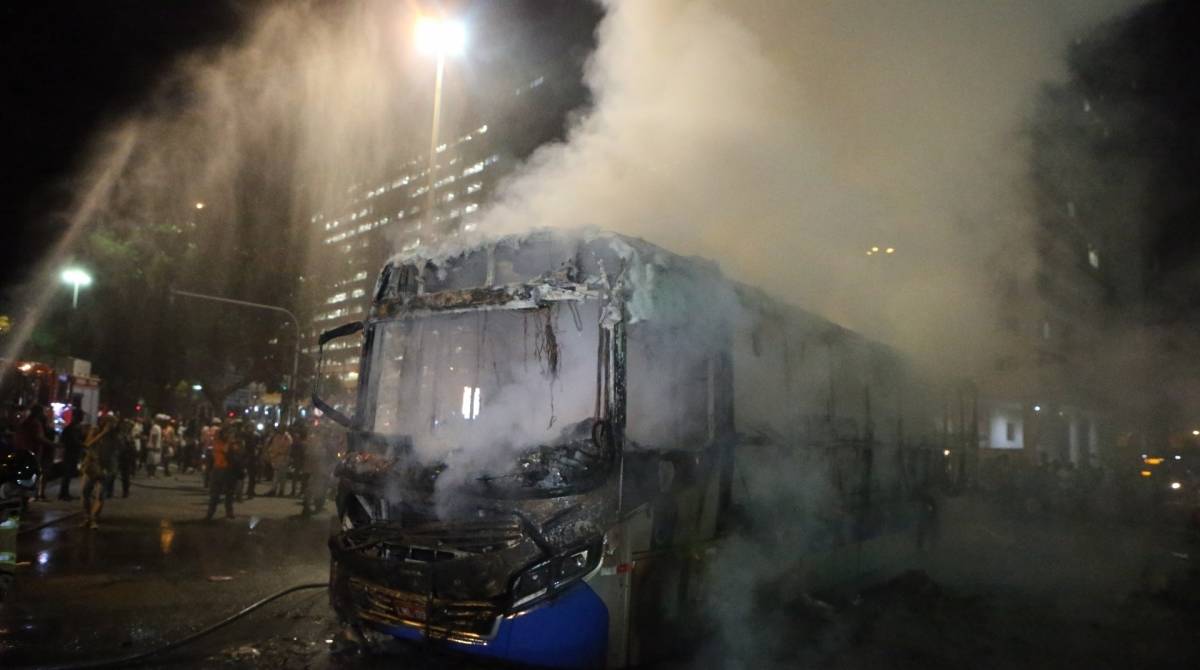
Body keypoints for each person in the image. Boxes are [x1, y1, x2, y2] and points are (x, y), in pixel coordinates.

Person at [80, 415, 120, 529]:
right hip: (92, 466)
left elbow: (115, 451)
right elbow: (87, 444)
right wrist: (102, 433)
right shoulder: (95, 430)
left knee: (100, 495)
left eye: (114, 424)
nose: (112, 426)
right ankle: (87, 517)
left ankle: (93, 519)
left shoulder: (114, 436)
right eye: (111, 423)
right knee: (85, 492)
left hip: (105, 467)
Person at [13, 405, 56, 501]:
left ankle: (21, 498)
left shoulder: (24, 422)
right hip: (33, 453)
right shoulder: (36, 423)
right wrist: (53, 444)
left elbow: (17, 437)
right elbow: (39, 438)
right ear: (39, 413)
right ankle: (25, 500)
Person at [205, 423, 241, 521]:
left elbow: (237, 452)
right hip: (219, 469)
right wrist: (230, 443)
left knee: (229, 493)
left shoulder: (231, 442)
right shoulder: (218, 441)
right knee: (215, 494)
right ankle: (210, 513)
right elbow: (224, 450)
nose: (229, 435)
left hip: (228, 470)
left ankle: (229, 512)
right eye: (228, 432)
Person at [58, 408, 85, 501]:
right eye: (80, 416)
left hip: (73, 453)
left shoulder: (76, 427)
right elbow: (71, 441)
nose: (82, 418)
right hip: (70, 453)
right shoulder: (71, 428)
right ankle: (63, 494)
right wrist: (82, 444)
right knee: (67, 474)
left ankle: (65, 493)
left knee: (69, 475)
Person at [264, 426, 292, 497]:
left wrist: (278, 453)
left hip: (283, 458)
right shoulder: (277, 436)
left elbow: (287, 448)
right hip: (276, 458)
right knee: (277, 475)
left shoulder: (287, 437)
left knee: (281, 476)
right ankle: (275, 490)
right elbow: (273, 446)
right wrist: (271, 454)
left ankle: (279, 490)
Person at [117, 419, 138, 497]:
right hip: (122, 456)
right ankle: (124, 490)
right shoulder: (122, 434)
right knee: (122, 475)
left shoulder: (129, 435)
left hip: (126, 457)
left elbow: (131, 447)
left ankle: (125, 491)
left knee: (125, 475)